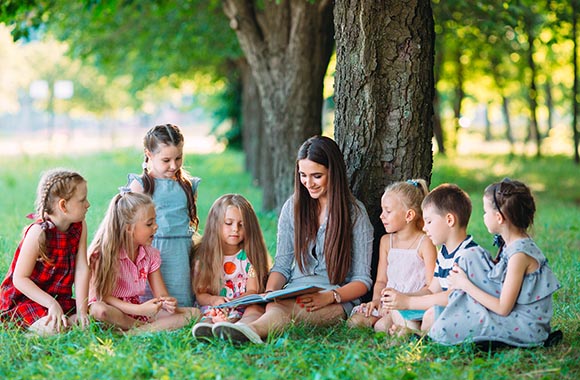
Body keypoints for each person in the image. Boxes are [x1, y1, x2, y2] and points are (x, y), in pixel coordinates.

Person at [210, 135, 373, 344]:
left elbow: (362, 280)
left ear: (334, 172)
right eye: (303, 175)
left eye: (317, 176)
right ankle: (239, 329)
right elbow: (283, 266)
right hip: (294, 291)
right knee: (267, 305)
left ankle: (248, 331)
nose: (308, 183)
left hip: (334, 299)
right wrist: (269, 293)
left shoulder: (355, 214)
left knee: (283, 310)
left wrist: (330, 296)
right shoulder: (293, 207)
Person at [429, 179, 562, 347]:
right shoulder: (511, 244)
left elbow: (503, 308)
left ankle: (450, 323)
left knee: (448, 327)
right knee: (470, 255)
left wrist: (464, 284)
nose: (484, 216)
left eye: (486, 212)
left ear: (499, 217)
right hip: (511, 313)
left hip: (523, 327)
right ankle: (458, 311)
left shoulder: (519, 256)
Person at [381, 183, 489, 335]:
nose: (424, 228)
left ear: (449, 220)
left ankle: (414, 334)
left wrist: (409, 302)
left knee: (430, 315)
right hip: (447, 311)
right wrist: (401, 298)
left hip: (469, 314)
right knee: (398, 310)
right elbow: (432, 290)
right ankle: (412, 331)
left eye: (429, 221)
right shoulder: (445, 253)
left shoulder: (468, 254)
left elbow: (452, 297)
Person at [88, 191, 198, 332]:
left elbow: (161, 295)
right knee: (99, 310)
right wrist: (139, 309)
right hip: (114, 312)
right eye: (149, 223)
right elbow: (103, 297)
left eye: (155, 221)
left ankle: (135, 332)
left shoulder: (150, 255)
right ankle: (146, 330)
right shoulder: (103, 254)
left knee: (194, 314)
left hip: (138, 313)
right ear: (128, 228)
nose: (156, 226)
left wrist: (168, 303)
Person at [0, 169, 90, 335]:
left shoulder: (79, 226)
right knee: (55, 328)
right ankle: (30, 334)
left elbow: (82, 268)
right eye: (82, 200)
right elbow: (20, 279)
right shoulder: (38, 232)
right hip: (28, 299)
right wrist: (51, 304)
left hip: (59, 298)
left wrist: (82, 312)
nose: (88, 204)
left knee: (96, 314)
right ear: (63, 205)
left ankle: (65, 321)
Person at [347, 179, 437, 332]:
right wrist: (376, 301)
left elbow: (431, 287)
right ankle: (395, 326)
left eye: (388, 211)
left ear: (409, 215)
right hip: (386, 303)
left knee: (381, 327)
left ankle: (405, 327)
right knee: (354, 322)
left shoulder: (425, 242)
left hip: (410, 302)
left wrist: (403, 299)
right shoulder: (386, 241)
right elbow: (381, 281)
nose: (382, 216)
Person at [128, 123, 200, 307]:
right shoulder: (141, 185)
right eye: (166, 160)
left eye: (179, 158)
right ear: (149, 154)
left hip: (180, 253)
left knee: (179, 303)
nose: (174, 165)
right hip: (151, 249)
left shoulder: (187, 186)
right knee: (151, 301)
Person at [191, 194, 271, 338]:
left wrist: (235, 303)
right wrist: (214, 301)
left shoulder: (249, 257)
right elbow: (200, 294)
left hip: (242, 305)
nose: (235, 229)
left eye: (242, 225)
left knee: (254, 310)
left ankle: (241, 328)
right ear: (216, 224)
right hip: (215, 306)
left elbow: (253, 290)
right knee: (211, 313)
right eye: (229, 223)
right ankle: (208, 327)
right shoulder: (204, 258)